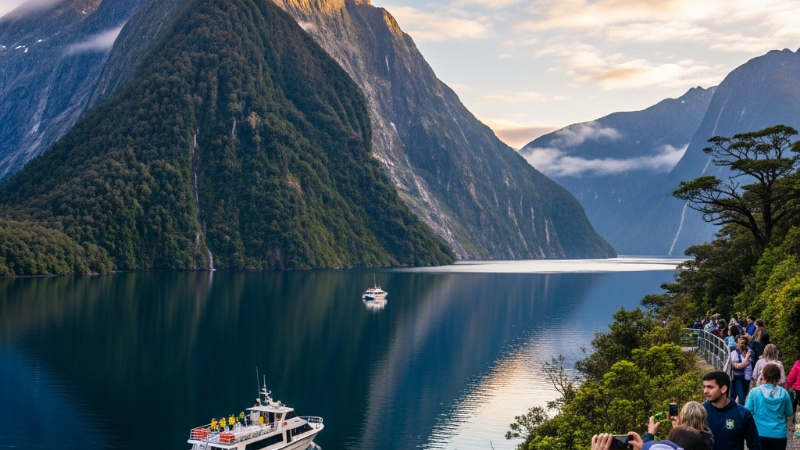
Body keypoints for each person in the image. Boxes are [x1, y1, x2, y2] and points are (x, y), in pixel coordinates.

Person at [702, 370, 761, 450]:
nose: (705, 391)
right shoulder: (700, 412)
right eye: (704, 387)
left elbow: (755, 445)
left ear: (723, 389)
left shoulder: (743, 414)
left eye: (710, 387)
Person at [745, 363, 793, 450]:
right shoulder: (784, 393)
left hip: (759, 432)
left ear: (763, 376)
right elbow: (789, 412)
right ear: (778, 378)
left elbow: (747, 411)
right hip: (779, 435)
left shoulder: (755, 392)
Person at [644, 402, 713, 450]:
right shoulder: (707, 437)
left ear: (683, 418)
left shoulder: (685, 441)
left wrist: (650, 433)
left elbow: (642, 446)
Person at [730, 336, 753, 405]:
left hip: (747, 377)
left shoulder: (749, 352)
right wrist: (745, 363)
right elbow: (736, 366)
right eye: (738, 343)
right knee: (741, 397)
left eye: (742, 343)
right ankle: (740, 413)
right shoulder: (734, 353)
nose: (740, 344)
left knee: (743, 395)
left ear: (746, 344)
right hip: (738, 377)